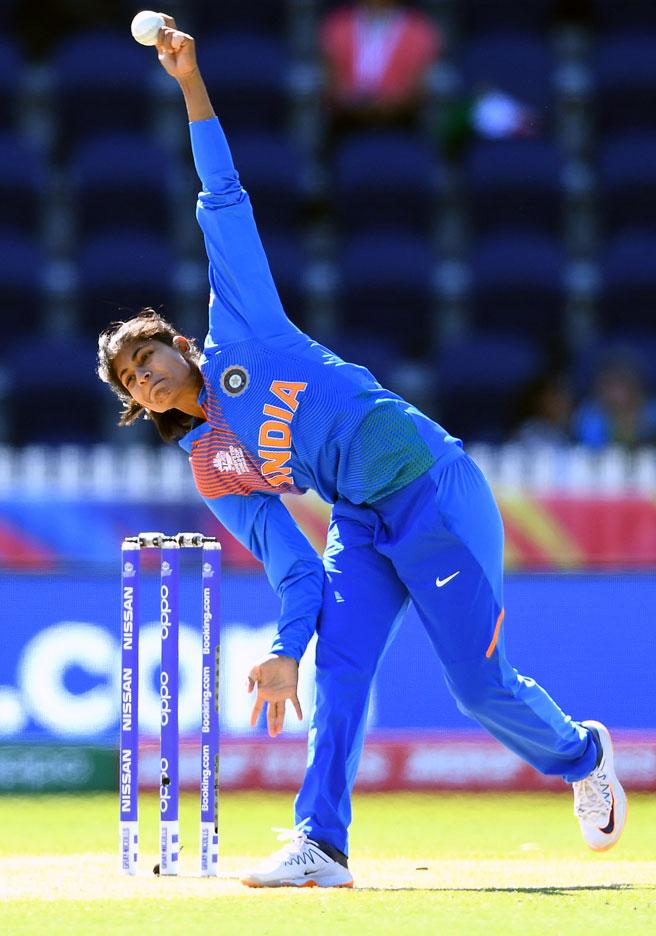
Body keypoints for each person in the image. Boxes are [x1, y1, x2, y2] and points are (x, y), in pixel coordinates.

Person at [98, 20, 627, 888]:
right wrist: (281, 650)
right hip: (361, 523)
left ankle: (581, 754)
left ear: (181, 344)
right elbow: (294, 571)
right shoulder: (212, 467)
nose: (147, 375)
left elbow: (220, 196)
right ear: (135, 403)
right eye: (130, 378)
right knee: (338, 676)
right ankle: (322, 844)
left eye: (148, 353)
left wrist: (190, 81)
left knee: (478, 688)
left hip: (432, 489)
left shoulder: (244, 329)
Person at [319, 0, 442, 144]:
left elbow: (417, 87)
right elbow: (331, 82)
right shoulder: (337, 27)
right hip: (346, 120)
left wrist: (386, 106)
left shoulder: (420, 31)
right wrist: (354, 103)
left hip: (401, 120)